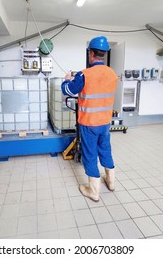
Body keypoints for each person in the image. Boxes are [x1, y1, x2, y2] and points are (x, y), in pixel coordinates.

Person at [61, 36, 118, 202]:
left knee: (90, 154)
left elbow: (69, 91)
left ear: (90, 54)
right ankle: (111, 182)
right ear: (104, 54)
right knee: (105, 150)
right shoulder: (112, 74)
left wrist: (66, 81)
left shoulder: (84, 75)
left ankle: (93, 191)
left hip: (89, 124)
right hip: (105, 123)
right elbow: (98, 84)